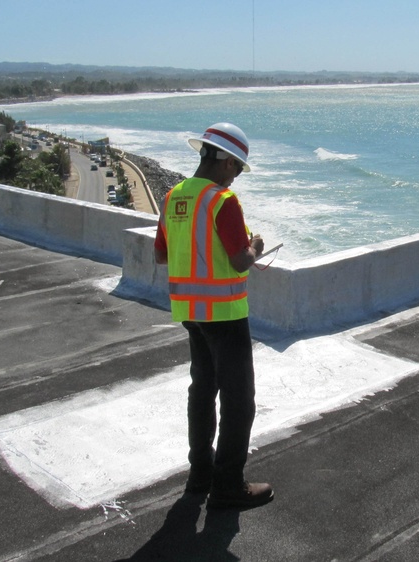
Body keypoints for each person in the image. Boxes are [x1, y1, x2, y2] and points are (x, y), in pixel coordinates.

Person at [154, 122, 274, 508]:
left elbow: (162, 253)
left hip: (190, 311)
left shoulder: (173, 196)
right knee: (239, 400)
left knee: (202, 391)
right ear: (225, 162)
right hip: (224, 313)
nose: (236, 177)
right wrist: (255, 246)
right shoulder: (223, 201)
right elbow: (240, 261)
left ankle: (199, 476)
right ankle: (228, 486)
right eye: (237, 168)